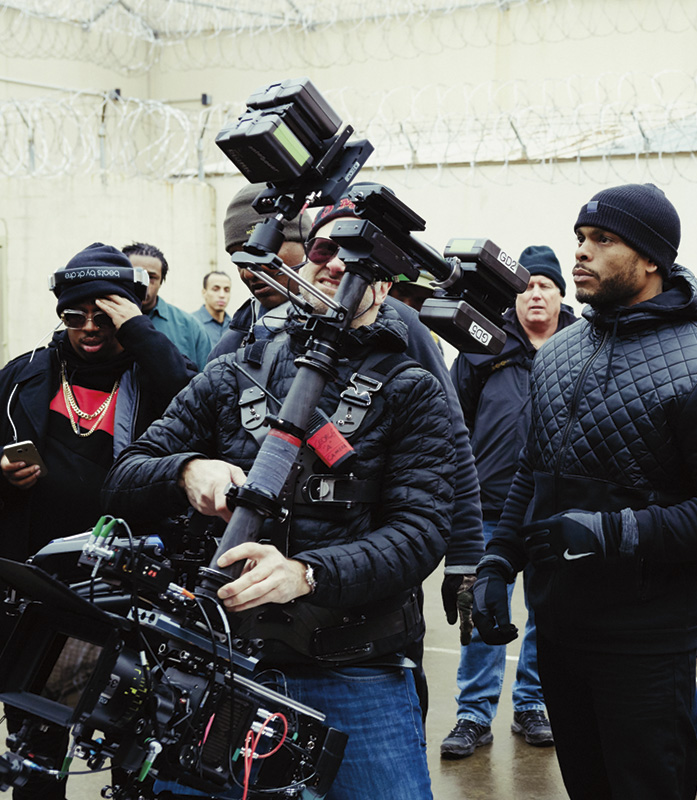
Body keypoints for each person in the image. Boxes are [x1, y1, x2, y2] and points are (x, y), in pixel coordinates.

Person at [102, 202, 457, 800]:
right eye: (323, 249)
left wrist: (306, 574)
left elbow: (420, 532)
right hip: (222, 666)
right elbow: (124, 477)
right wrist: (186, 470)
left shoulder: (410, 388)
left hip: (356, 670)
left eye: (358, 256)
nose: (336, 264)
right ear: (300, 258)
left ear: (387, 279)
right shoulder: (229, 374)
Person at [471, 183, 697, 800]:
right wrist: (499, 562)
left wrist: (618, 532)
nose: (581, 253)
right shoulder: (558, 352)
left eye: (602, 241)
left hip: (643, 643)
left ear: (651, 259)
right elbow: (533, 469)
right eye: (580, 238)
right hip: (558, 630)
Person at [0, 243, 194, 800]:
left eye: (103, 316)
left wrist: (137, 330)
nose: (88, 327)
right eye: (74, 315)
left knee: (133, 744)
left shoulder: (152, 376)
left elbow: (193, 396)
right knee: (38, 744)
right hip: (41, 589)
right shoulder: (27, 374)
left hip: (126, 589)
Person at [440, 245, 578, 758]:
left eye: (545, 285)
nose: (535, 294)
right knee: (481, 611)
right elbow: (455, 425)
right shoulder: (484, 345)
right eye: (526, 286)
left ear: (562, 295)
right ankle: (473, 715)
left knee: (548, 613)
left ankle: (532, 705)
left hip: (555, 508)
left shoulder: (585, 345)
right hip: (488, 509)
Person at [208, 182, 313, 362]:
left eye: (262, 252)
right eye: (239, 260)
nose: (249, 273)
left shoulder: (355, 331)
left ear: (307, 245)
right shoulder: (230, 344)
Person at [121, 242, 211, 367]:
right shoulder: (100, 321)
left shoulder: (189, 327)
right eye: (136, 275)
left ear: (161, 281)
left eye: (151, 277)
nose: (143, 282)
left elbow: (206, 380)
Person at [192, 270, 232, 349]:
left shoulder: (234, 326)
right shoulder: (192, 323)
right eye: (215, 289)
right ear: (204, 292)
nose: (222, 295)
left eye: (226, 290)